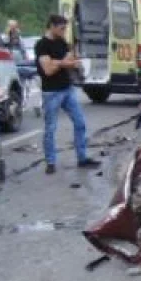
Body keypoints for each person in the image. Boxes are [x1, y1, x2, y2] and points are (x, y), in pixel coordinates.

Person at [35, 14, 101, 175]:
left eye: (65, 28)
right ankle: (50, 162)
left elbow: (70, 61)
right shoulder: (42, 45)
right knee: (50, 128)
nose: (64, 31)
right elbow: (48, 70)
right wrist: (63, 63)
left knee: (80, 123)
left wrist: (59, 62)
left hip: (67, 88)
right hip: (51, 91)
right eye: (61, 28)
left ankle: (82, 157)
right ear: (52, 26)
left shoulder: (62, 42)